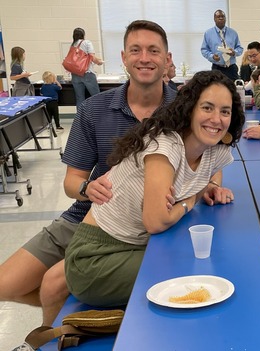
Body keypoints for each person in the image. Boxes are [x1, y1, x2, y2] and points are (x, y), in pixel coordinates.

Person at [2, 20, 225, 351]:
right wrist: (86, 190)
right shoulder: (93, 109)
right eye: (135, 50)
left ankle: (50, 337)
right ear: (123, 57)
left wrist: (210, 185)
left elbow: (210, 150)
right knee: (7, 285)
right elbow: (72, 180)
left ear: (168, 58)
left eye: (154, 50)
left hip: (142, 224)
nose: (144, 58)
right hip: (89, 214)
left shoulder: (184, 108)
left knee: (53, 282)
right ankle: (91, 313)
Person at [64, 70, 244, 307]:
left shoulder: (213, 149)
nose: (216, 119)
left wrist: (197, 194)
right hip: (96, 256)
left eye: (225, 111)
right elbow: (157, 221)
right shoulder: (165, 145)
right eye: (207, 108)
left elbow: (200, 185)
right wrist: (188, 203)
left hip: (135, 246)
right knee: (194, 271)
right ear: (190, 109)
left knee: (204, 264)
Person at [201, 9, 243, 81]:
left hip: (231, 68)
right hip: (217, 68)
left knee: (233, 89)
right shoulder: (208, 33)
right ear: (214, 19)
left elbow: (240, 48)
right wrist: (212, 56)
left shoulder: (233, 33)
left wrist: (234, 52)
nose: (221, 18)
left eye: (223, 16)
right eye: (218, 16)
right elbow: (204, 50)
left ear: (225, 18)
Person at [69, 28, 104, 109]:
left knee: (79, 98)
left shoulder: (72, 45)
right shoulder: (86, 42)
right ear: (83, 34)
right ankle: (98, 118)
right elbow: (92, 57)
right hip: (87, 73)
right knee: (96, 97)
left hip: (75, 74)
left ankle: (80, 120)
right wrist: (99, 62)